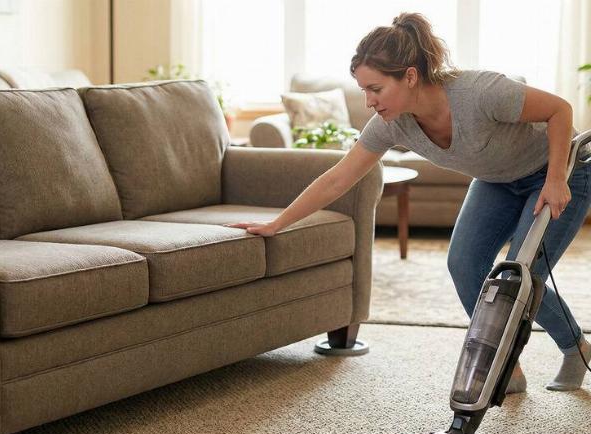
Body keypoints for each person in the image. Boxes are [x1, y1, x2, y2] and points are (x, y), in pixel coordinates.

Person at [226, 12, 591, 393]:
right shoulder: (392, 123)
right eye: (363, 90)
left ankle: (574, 347)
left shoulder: (480, 92)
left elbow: (559, 110)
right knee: (464, 265)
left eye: (375, 89)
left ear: (410, 76)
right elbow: (338, 178)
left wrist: (554, 180)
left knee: (519, 274)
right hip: (497, 181)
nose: (368, 101)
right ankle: (505, 362)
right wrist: (276, 224)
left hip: (559, 170)